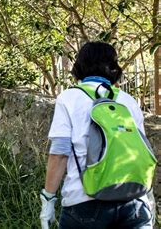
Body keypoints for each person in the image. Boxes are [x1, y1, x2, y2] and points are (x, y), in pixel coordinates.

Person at [40, 42, 153, 228]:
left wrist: (49, 199)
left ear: (79, 66)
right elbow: (140, 149)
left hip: (84, 202)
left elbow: (59, 154)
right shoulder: (128, 101)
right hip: (134, 201)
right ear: (114, 68)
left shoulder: (69, 98)